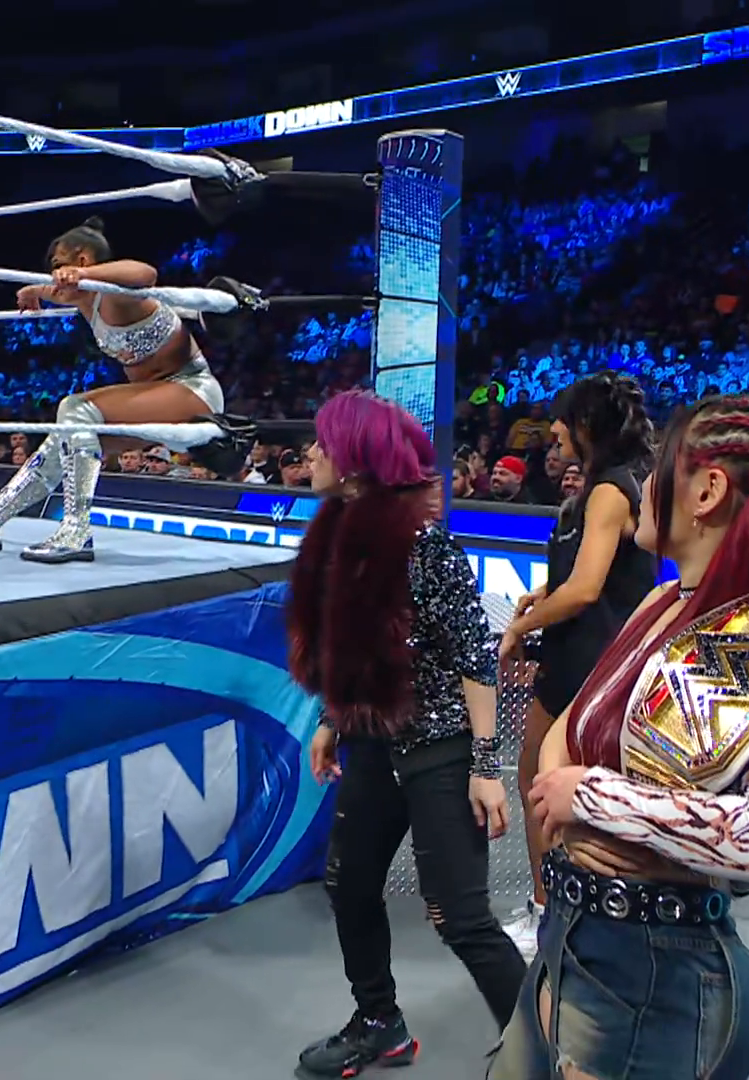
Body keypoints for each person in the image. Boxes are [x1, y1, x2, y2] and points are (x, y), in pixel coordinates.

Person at [490, 394, 749, 1080]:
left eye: (660, 467)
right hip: (580, 937)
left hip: (646, 974)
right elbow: (573, 729)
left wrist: (596, 799)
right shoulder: (664, 601)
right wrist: (570, 789)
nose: (645, 484)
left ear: (706, 492)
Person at [285, 391, 525, 1077]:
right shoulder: (334, 537)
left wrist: (486, 766)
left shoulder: (424, 545)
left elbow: (474, 658)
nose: (311, 454)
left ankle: (548, 1050)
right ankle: (378, 1022)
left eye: (324, 443)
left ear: (356, 460)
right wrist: (332, 720)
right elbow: (350, 649)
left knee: (461, 917)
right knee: (349, 884)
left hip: (440, 747)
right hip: (371, 739)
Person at [0, 217, 225, 563]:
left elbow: (146, 273)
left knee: (75, 407)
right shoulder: (84, 299)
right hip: (157, 399)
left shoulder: (115, 295)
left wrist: (82, 275)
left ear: (82, 260)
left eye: (58, 265)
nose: (54, 276)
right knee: (61, 442)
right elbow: (54, 290)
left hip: (192, 392)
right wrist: (33, 291)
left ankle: (76, 530)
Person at [497, 371, 655, 954]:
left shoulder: (612, 491)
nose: (554, 431)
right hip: (576, 657)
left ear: (586, 425)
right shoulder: (601, 489)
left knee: (547, 785)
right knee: (539, 780)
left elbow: (588, 590)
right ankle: (554, 910)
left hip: (591, 662)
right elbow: (587, 576)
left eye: (562, 421)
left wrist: (520, 627)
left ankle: (557, 917)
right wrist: (543, 596)